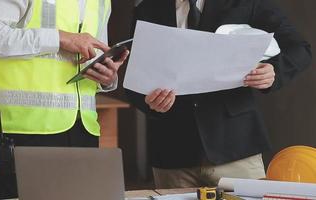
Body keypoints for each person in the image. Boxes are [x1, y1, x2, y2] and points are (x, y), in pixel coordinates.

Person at [126, 0, 312, 188]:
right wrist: (150, 102)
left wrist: (274, 72)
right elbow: (134, 79)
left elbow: (299, 48)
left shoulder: (245, 2)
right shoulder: (147, 9)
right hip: (172, 153)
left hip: (236, 147)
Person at [0, 0, 129, 199]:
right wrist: (58, 38)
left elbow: (91, 54)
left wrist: (107, 78)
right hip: (27, 129)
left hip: (84, 130)